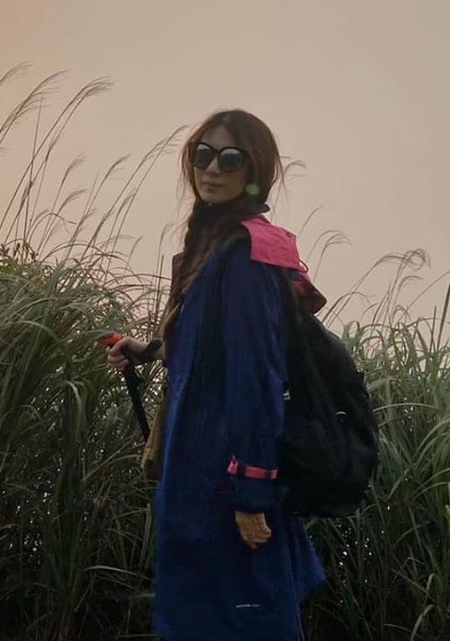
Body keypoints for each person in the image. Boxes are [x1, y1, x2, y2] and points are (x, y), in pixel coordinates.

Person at [107, 109, 326, 641]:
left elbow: (257, 378)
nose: (212, 168)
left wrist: (251, 493)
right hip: (196, 475)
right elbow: (212, 350)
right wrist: (150, 349)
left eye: (230, 158)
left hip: (224, 479)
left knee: (241, 621)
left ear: (255, 171)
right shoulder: (213, 243)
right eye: (203, 154)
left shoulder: (248, 255)